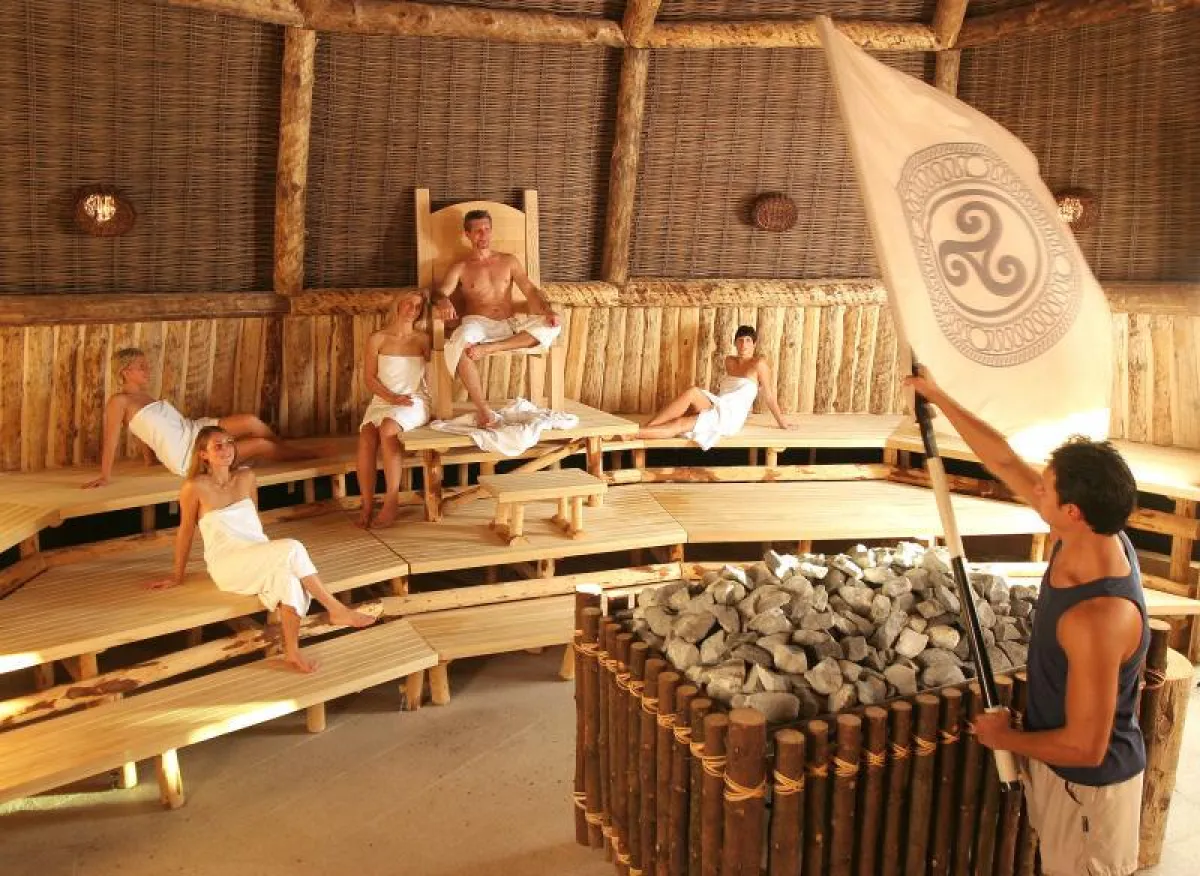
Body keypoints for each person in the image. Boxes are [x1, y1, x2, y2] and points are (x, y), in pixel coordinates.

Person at [904, 369, 1147, 876]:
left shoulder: (1098, 617)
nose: (1036, 489)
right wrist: (937, 396)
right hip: (1064, 775)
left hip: (1090, 792)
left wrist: (1004, 738)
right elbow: (1003, 459)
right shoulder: (1088, 533)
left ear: (1072, 511)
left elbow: (1086, 747)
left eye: (1046, 487)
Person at [148, 426, 376, 673]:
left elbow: (253, 522)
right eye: (218, 446)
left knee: (289, 579)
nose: (226, 449)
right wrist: (177, 576)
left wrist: (271, 556)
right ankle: (336, 609)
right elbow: (185, 531)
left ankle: (292, 652)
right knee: (293, 547)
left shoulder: (246, 477)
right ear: (203, 454)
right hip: (226, 564)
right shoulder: (194, 487)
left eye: (229, 442)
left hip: (255, 552)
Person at [83, 347, 307, 487]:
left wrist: (149, 459)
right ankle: (307, 456)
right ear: (125, 372)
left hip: (194, 430)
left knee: (250, 422)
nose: (147, 370)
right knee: (260, 444)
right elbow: (111, 440)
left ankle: (286, 450)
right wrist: (105, 476)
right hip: (186, 452)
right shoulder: (118, 401)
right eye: (141, 367)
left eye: (146, 366)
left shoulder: (144, 396)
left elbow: (144, 431)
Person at [432, 209, 561, 426]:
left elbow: (530, 290)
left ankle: (492, 348)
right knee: (460, 343)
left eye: (487, 229)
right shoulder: (461, 267)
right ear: (467, 234)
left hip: (508, 325)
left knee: (553, 325)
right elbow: (439, 292)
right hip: (477, 324)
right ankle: (485, 411)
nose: (483, 235)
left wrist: (547, 311)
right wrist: (443, 301)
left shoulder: (509, 261)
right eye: (478, 231)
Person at [635, 325, 796, 447]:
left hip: (730, 417)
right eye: (740, 340)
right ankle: (648, 428)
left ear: (754, 344)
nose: (744, 345)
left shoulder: (759, 364)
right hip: (720, 404)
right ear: (735, 343)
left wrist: (781, 422)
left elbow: (769, 396)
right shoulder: (730, 361)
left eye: (748, 340)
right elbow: (731, 392)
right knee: (692, 391)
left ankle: (633, 434)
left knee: (679, 424)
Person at [356, 291, 431, 529]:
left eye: (417, 307)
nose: (412, 310)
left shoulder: (423, 340)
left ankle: (391, 501)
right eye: (408, 304)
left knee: (388, 428)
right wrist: (390, 397)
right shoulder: (377, 338)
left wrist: (433, 406)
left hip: (413, 400)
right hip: (383, 400)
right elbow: (369, 378)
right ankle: (367, 504)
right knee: (367, 435)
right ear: (398, 305)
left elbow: (435, 374)